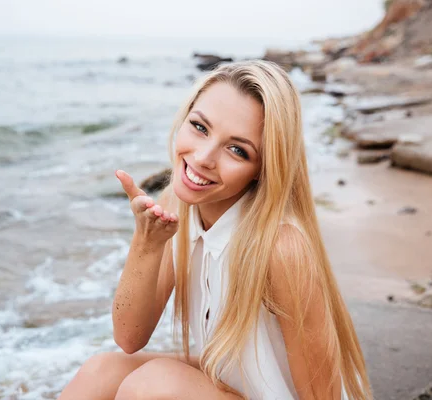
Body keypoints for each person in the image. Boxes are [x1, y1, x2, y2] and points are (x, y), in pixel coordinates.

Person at [58, 60, 372, 400]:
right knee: (100, 372)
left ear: (262, 169)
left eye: (237, 150)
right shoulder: (177, 206)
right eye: (199, 126)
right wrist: (147, 243)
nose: (204, 157)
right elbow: (129, 337)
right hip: (232, 385)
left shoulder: (281, 247)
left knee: (151, 387)